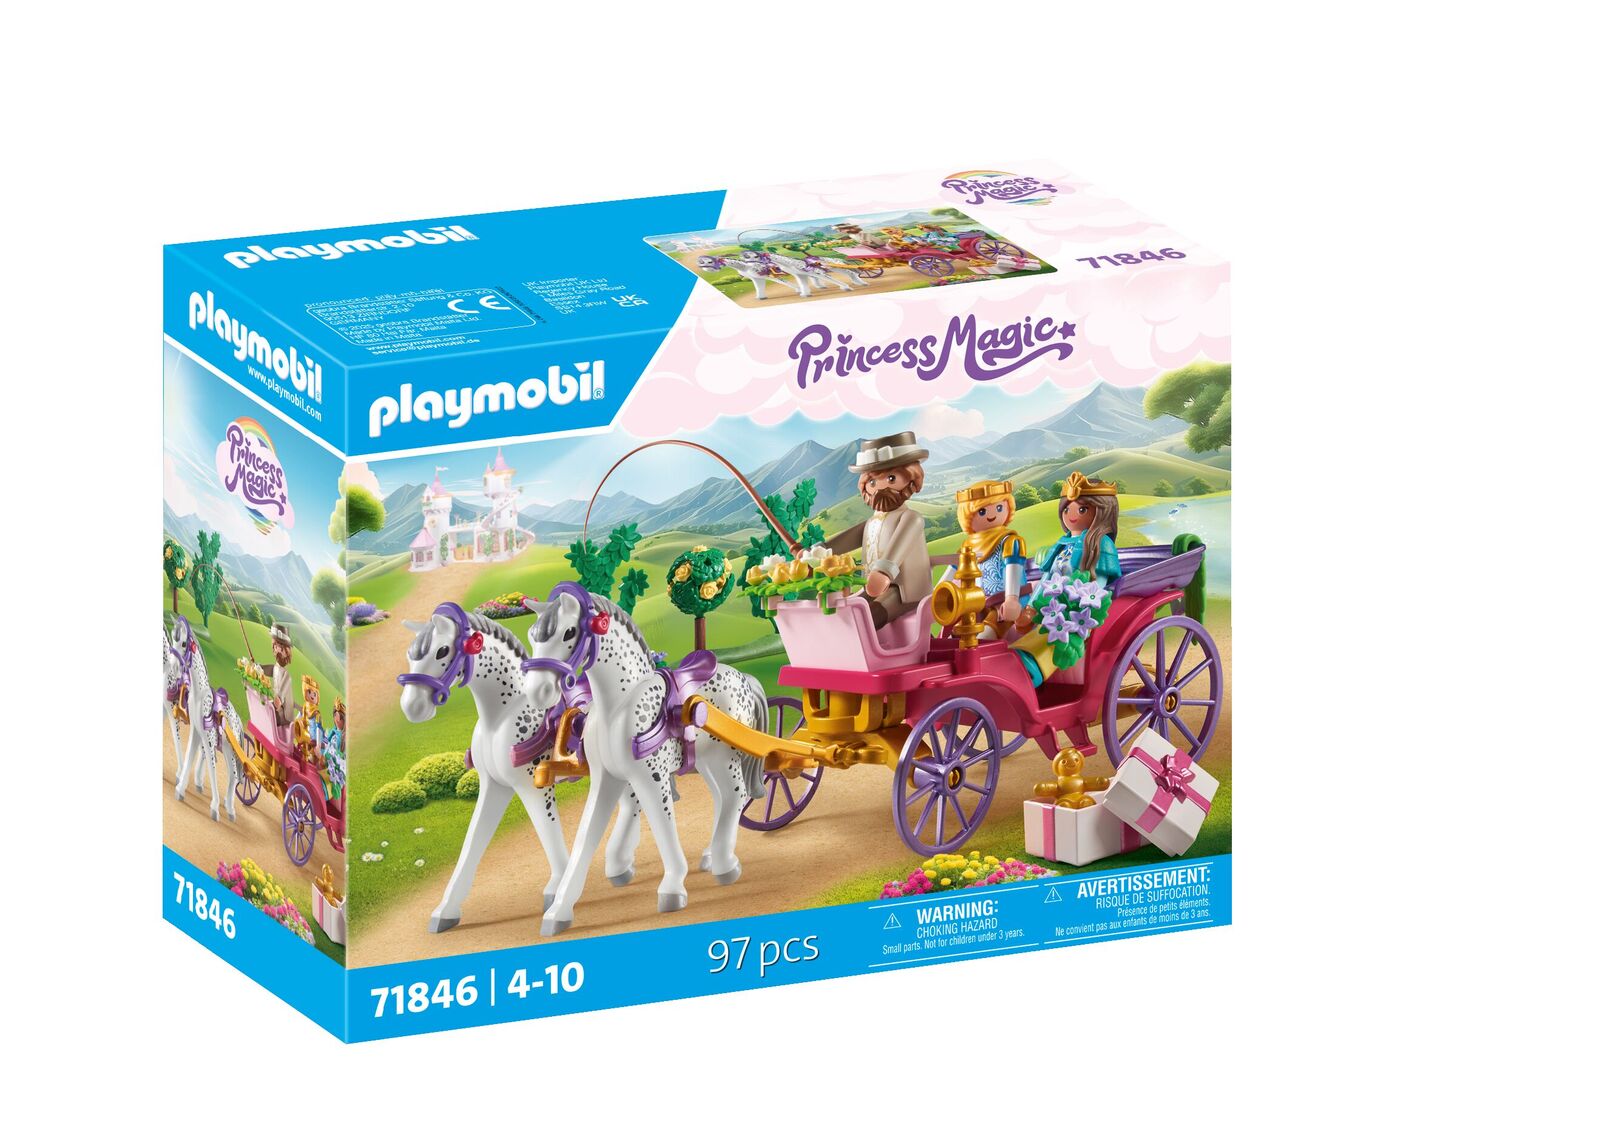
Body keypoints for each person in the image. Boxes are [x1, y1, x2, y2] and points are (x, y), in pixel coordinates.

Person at [1012, 472, 1122, 686]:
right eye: (1067, 509)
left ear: (1103, 512)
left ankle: (1033, 668)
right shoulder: (1062, 545)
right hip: (1052, 605)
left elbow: (1097, 585)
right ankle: (1017, 659)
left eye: (1082, 509)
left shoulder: (1101, 544)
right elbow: (1047, 578)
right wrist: (1032, 607)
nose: (1072, 515)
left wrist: (1080, 605)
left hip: (1079, 610)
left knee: (1056, 633)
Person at [824, 431, 933, 629]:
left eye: (891, 478)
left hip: (904, 590)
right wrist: (818, 552)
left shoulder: (911, 518)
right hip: (872, 585)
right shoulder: (873, 522)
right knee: (848, 613)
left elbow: (898, 546)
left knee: (870, 617)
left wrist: (883, 572)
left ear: (911, 479)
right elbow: (846, 540)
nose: (880, 488)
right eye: (873, 482)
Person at [947, 479, 1028, 638]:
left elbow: (1013, 570)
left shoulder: (1010, 541)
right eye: (982, 511)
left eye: (999, 508)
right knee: (955, 635)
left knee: (984, 637)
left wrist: (1012, 599)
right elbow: (951, 574)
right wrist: (934, 596)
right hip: (977, 604)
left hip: (1003, 604)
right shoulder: (967, 547)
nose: (992, 515)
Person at [269, 623, 295, 727]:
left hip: (284, 715)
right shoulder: (275, 667)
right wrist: (258, 667)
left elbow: (281, 694)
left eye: (280, 648)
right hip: (278, 706)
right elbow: (268, 669)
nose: (277, 650)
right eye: (275, 647)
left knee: (272, 711)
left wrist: (278, 699)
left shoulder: (286, 675)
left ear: (286, 652)